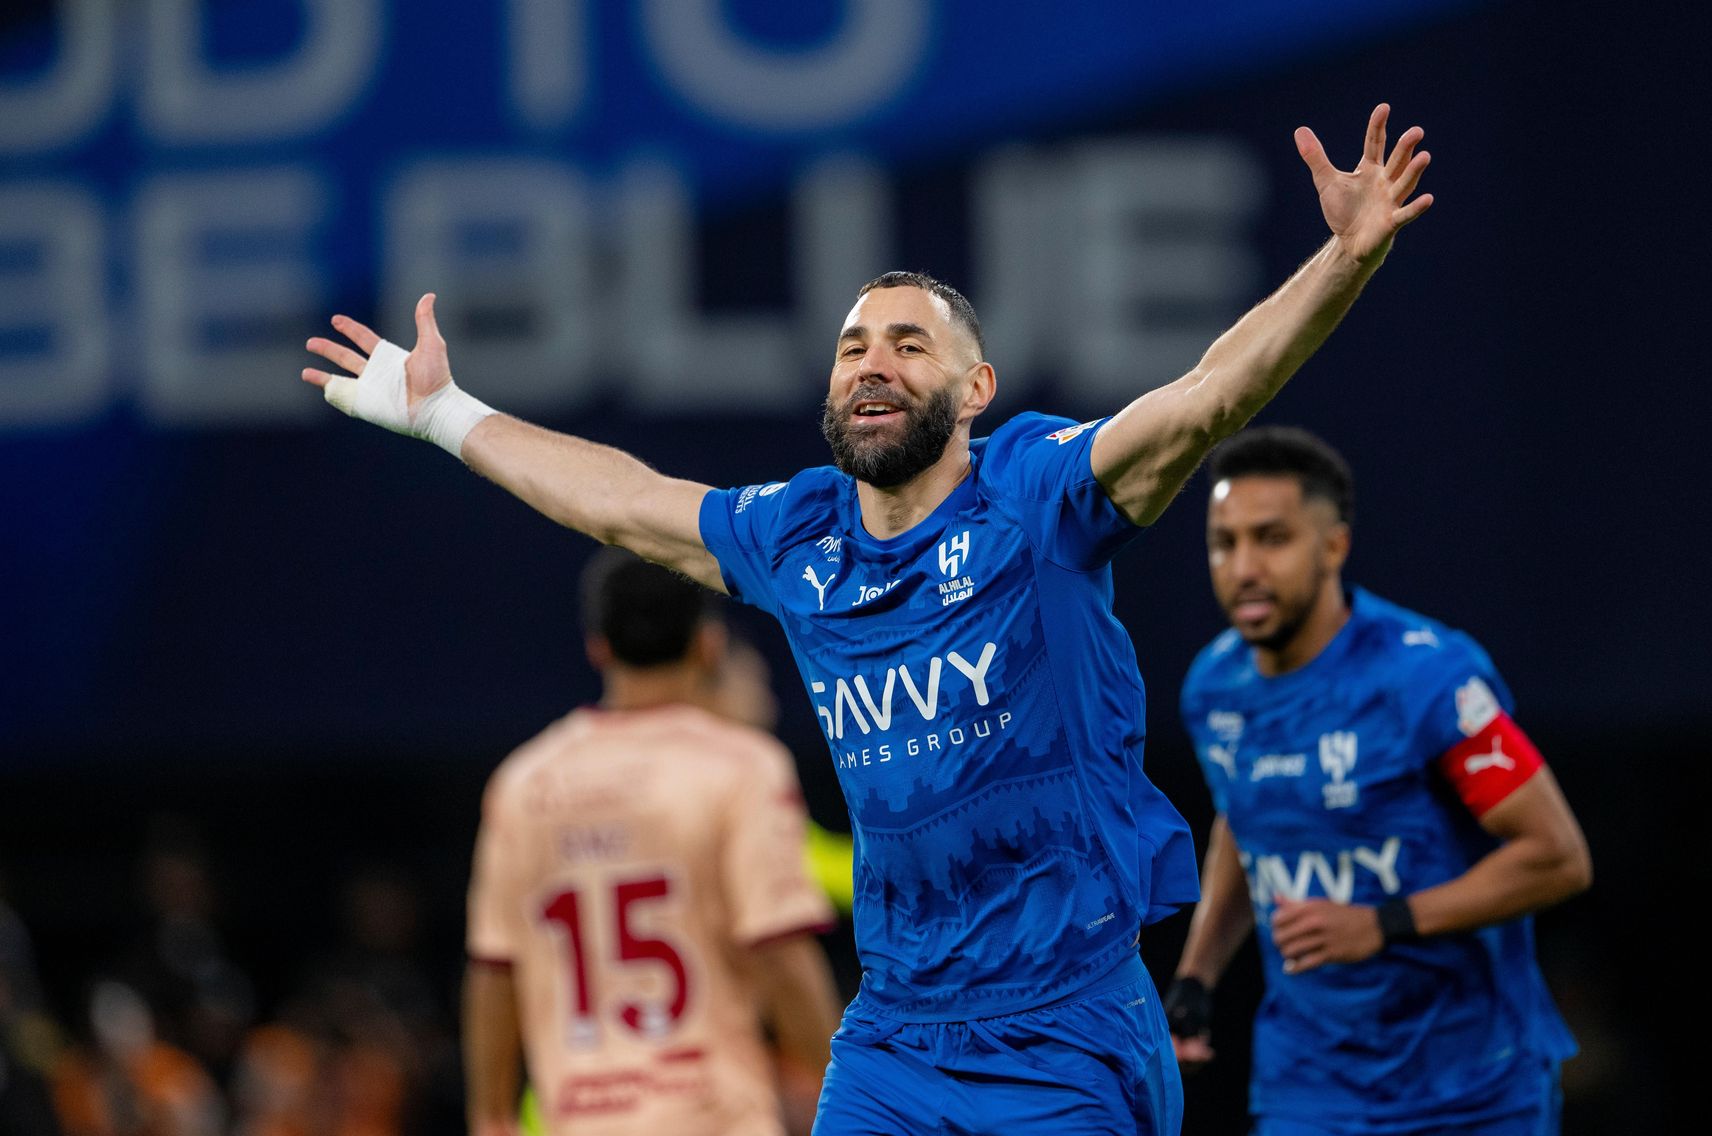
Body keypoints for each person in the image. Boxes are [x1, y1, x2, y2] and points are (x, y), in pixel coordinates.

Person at [305, 104, 1434, 1134]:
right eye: (852, 347)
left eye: (907, 343)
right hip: (893, 1037)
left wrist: (1342, 260)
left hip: (1065, 1026)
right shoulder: (797, 536)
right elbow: (622, 500)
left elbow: (1206, 399)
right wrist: (447, 413)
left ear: (975, 390)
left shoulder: (1037, 494)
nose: (871, 364)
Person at [1165, 427, 1593, 1135]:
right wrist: (1196, 976)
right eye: (1224, 542)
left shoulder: (1425, 677)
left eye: (1272, 539)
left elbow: (1557, 857)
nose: (1243, 567)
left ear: (1334, 546)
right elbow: (1246, 822)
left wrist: (1383, 923)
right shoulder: (1214, 688)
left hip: (1472, 1089)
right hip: (1311, 1089)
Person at [461, 550, 842, 1136]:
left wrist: (490, 1116)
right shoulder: (741, 767)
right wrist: (845, 1099)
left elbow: (494, 968)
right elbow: (782, 956)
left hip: (575, 1119)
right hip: (711, 1118)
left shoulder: (523, 782)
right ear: (708, 643)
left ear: (598, 647)